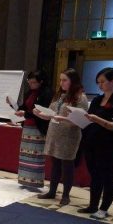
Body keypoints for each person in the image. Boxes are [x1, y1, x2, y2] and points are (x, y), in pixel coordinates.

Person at [34, 68, 88, 206]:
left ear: (73, 81)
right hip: (54, 132)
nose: (61, 82)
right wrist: (40, 114)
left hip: (69, 135)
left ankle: (66, 195)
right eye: (60, 80)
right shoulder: (60, 95)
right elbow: (52, 113)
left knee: (67, 165)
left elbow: (81, 119)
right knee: (55, 164)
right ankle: (52, 191)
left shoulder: (80, 97)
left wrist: (62, 118)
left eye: (65, 80)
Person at [78, 67, 113, 219]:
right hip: (91, 142)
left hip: (109, 145)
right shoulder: (96, 99)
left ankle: (103, 208)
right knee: (94, 175)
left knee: (107, 176)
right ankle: (93, 205)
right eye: (98, 82)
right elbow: (88, 118)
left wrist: (98, 119)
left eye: (102, 82)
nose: (99, 85)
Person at [11, 71, 53, 190]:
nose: (31, 84)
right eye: (29, 82)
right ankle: (25, 180)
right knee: (26, 155)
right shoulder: (30, 92)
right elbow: (24, 107)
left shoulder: (46, 93)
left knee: (36, 156)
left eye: (33, 82)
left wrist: (25, 113)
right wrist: (13, 105)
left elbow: (41, 112)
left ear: (41, 82)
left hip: (38, 127)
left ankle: (35, 181)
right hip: (28, 126)